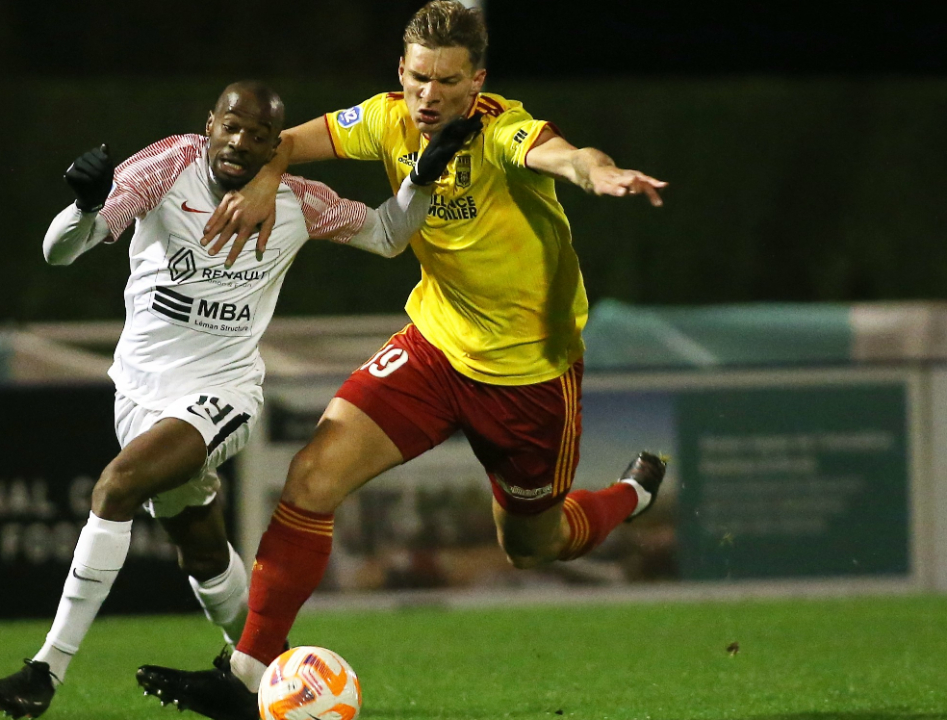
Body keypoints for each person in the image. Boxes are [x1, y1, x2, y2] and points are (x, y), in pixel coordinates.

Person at [135, 5, 669, 720]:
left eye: (448, 81)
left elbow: (561, 153)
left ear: (476, 82)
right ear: (401, 73)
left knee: (533, 544)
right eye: (418, 77)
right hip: (433, 348)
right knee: (313, 476)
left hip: (528, 378)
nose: (429, 96)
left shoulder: (500, 128)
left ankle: (629, 497)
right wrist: (264, 180)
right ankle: (248, 675)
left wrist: (596, 173)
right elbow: (281, 142)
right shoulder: (383, 119)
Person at [0, 79, 479, 719]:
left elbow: (386, 234)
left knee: (117, 486)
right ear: (209, 124)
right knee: (203, 548)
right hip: (136, 391)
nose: (240, 143)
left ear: (277, 147)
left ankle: (46, 669)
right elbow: (60, 253)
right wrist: (81, 206)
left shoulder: (299, 201)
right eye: (231, 127)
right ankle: (265, 675)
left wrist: (423, 179)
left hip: (224, 392)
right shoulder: (165, 166)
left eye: (259, 136)